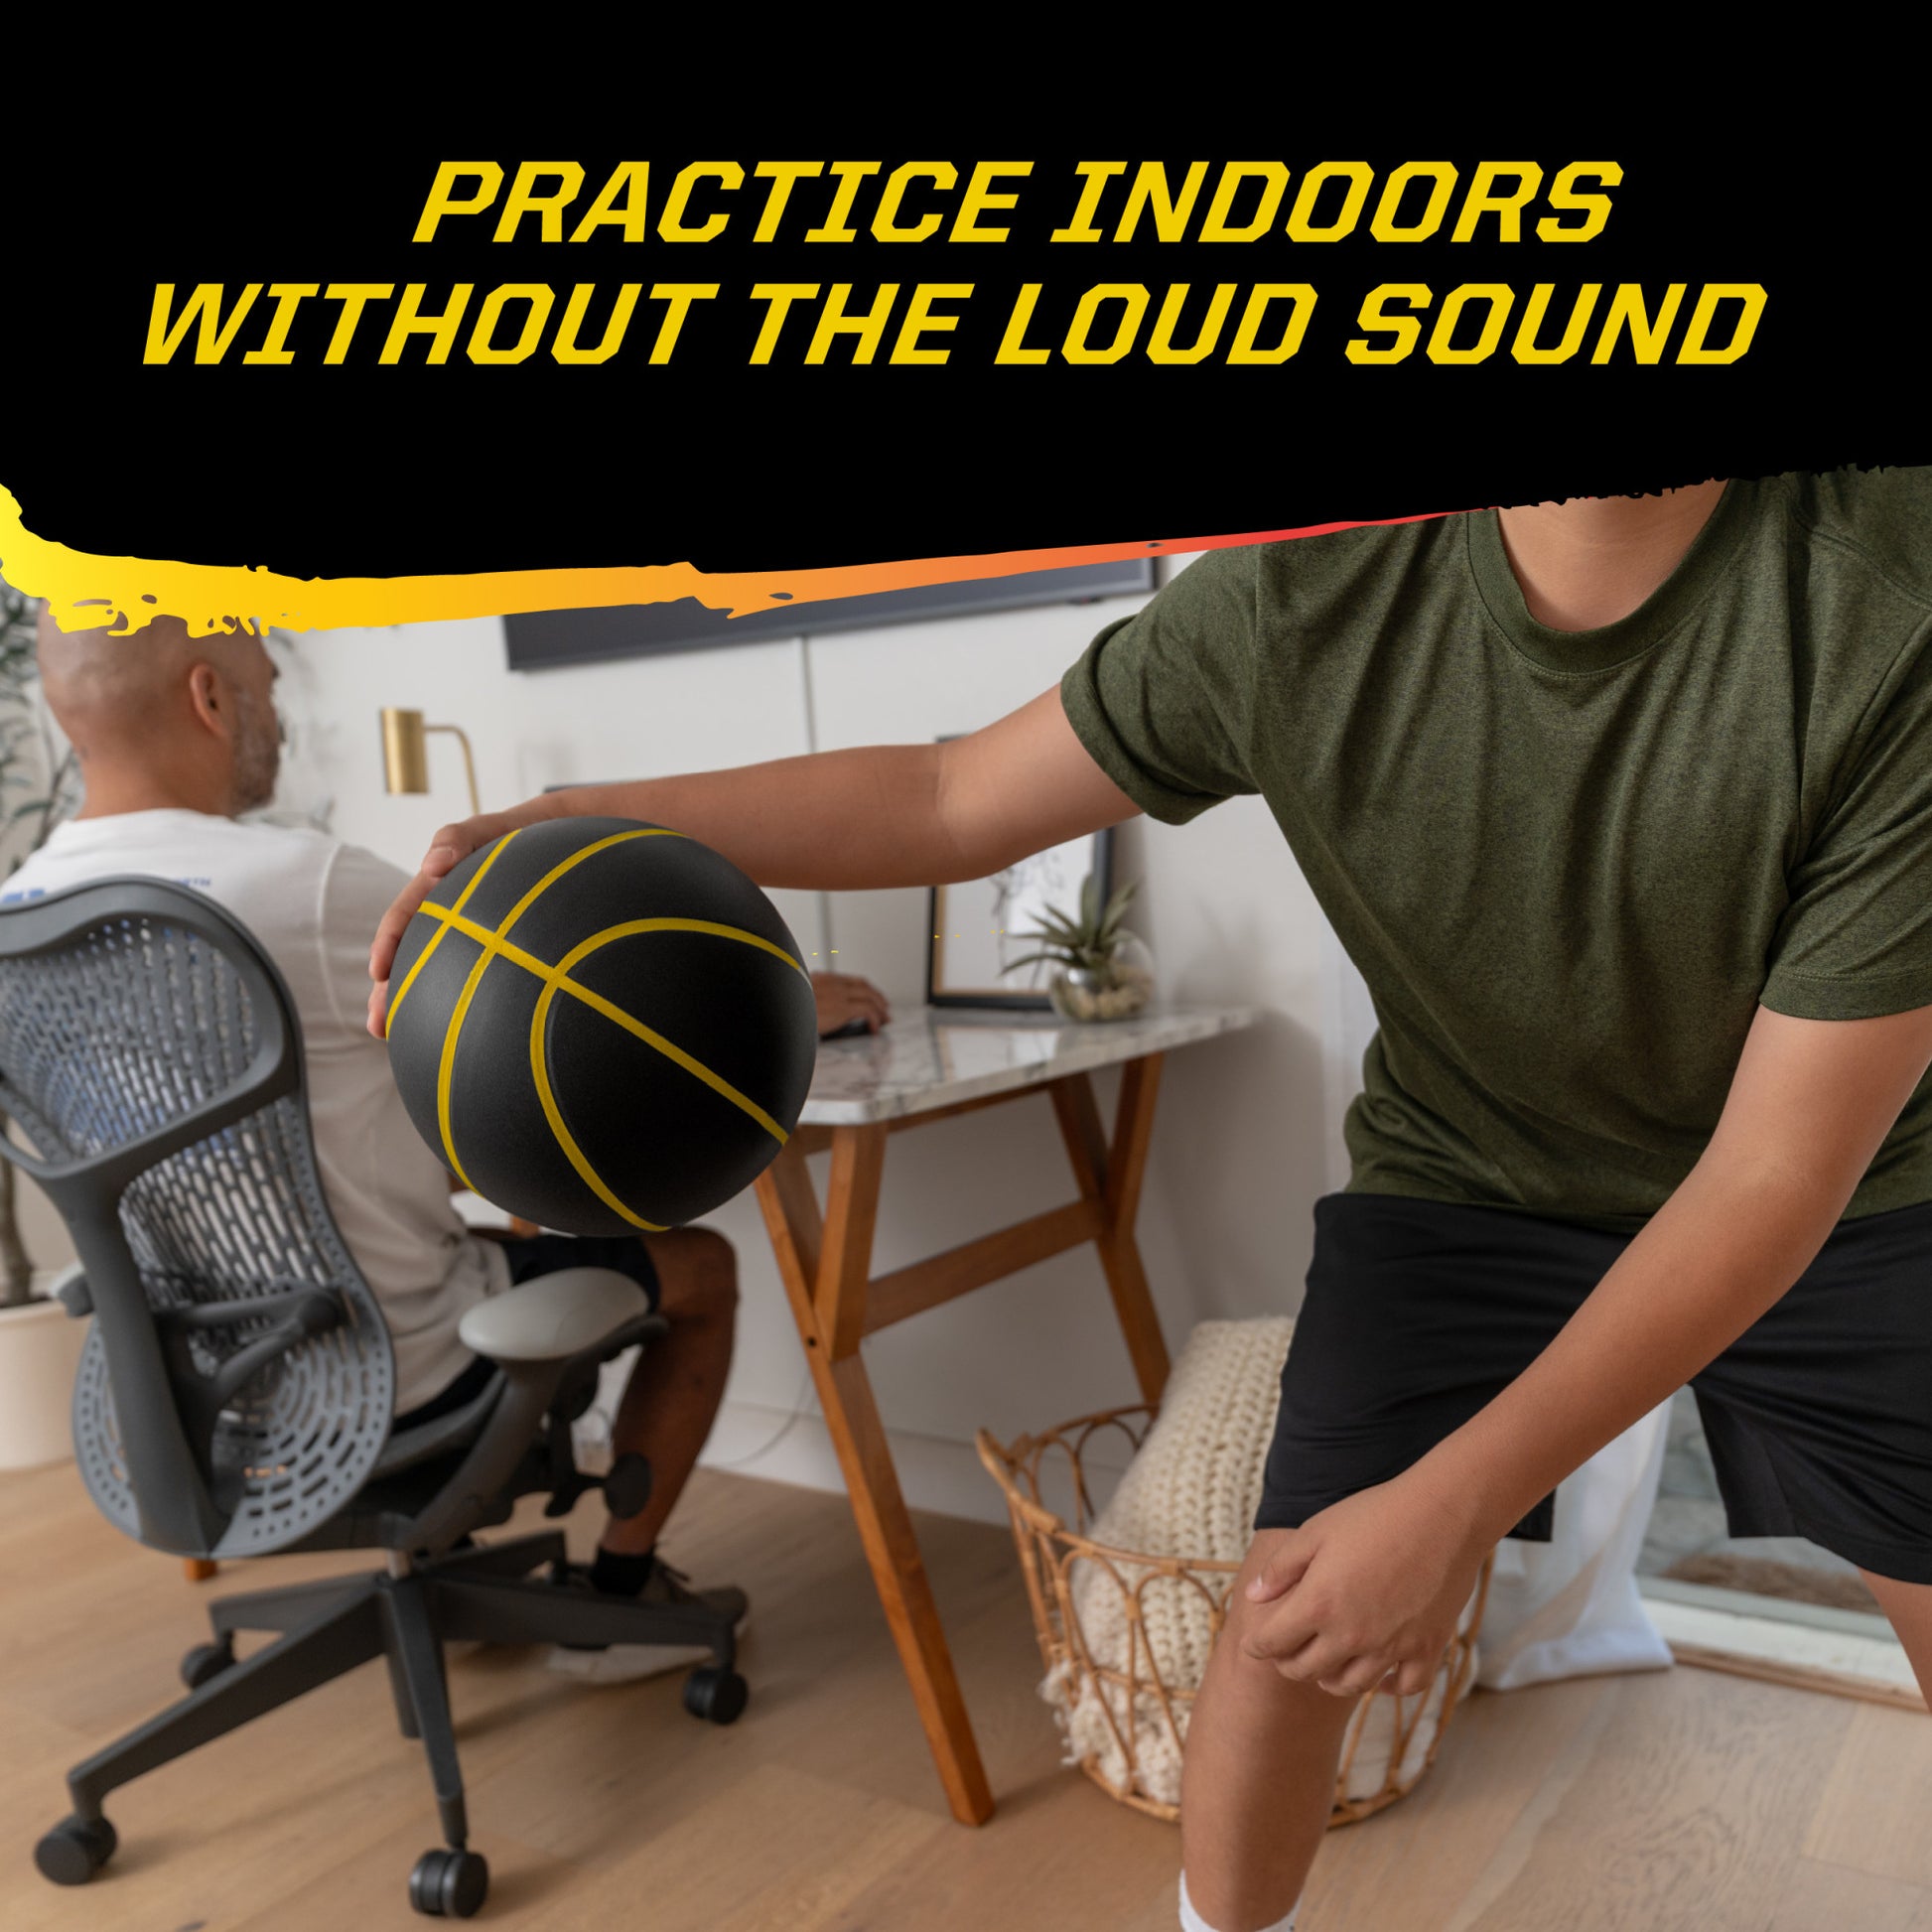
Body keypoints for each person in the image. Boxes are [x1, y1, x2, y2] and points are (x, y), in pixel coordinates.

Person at [370, 470, 1932, 1929]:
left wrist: (1450, 1508)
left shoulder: (1891, 588)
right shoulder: (1304, 590)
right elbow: (946, 796)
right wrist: (583, 809)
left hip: (1849, 1190)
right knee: (1283, 1620)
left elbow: (1772, 1173)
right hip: (1473, 1170)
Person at [9, 605, 889, 1688]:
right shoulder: (308, 886)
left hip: (193, 1387)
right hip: (398, 1370)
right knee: (698, 1265)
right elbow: (562, 1023)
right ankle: (615, 1599)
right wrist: (787, 1001)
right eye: (264, 679)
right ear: (208, 695)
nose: (276, 705)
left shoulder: (18, 915)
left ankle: (463, 1562)